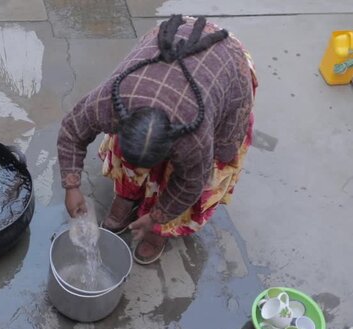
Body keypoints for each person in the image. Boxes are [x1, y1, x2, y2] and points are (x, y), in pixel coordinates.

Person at [57, 15, 258, 264]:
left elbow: (189, 185)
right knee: (128, 155)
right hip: (172, 40)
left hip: (225, 61)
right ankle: (127, 197)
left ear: (172, 144)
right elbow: (71, 131)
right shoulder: (111, 100)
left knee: (185, 175)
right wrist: (71, 185)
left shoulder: (194, 137)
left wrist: (156, 218)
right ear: (122, 120)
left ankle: (159, 231)